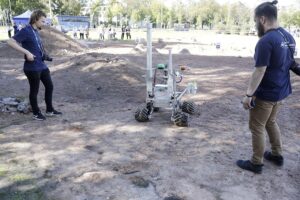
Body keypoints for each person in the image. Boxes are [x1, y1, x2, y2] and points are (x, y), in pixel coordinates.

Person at [237, 0, 296, 174]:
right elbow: (290, 62)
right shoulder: (288, 37)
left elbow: (260, 70)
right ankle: (277, 155)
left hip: (266, 94)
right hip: (280, 92)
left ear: (262, 19)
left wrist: (249, 95)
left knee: (257, 126)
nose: (256, 25)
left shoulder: (266, 41)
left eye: (256, 21)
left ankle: (256, 163)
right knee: (270, 121)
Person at [7, 10, 62, 121]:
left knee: (49, 86)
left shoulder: (36, 31)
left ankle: (50, 110)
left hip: (41, 65)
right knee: (34, 90)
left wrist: (44, 54)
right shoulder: (26, 30)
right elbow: (10, 41)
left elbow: (36, 46)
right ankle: (36, 113)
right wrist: (26, 52)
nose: (44, 23)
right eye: (42, 21)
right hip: (31, 68)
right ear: (35, 19)